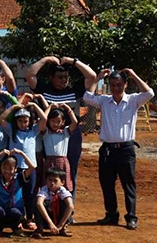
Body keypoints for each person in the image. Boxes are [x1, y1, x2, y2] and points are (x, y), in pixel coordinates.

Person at [83, 68, 154, 230]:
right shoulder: (104, 101)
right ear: (109, 85)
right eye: (113, 85)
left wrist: (134, 75)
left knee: (128, 183)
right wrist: (98, 78)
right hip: (107, 149)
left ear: (125, 85)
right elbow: (87, 97)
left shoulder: (133, 100)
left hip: (126, 149)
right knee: (107, 183)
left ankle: (131, 217)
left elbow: (150, 93)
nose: (116, 88)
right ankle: (111, 214)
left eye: (119, 84)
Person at [26, 56, 96, 210]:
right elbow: (29, 75)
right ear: (51, 78)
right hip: (45, 136)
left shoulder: (74, 90)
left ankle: (67, 210)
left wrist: (73, 61)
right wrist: (45, 60)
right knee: (43, 171)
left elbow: (92, 76)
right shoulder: (43, 89)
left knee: (70, 172)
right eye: (60, 77)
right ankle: (45, 208)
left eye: (66, 77)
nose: (64, 80)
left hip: (71, 135)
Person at [0, 103, 46, 227]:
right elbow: (1, 119)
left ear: (29, 121)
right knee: (15, 193)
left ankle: (29, 218)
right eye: (20, 121)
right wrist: (14, 108)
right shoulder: (11, 131)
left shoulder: (33, 131)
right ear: (16, 121)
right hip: (15, 169)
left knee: (29, 193)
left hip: (30, 168)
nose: (23, 123)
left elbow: (44, 119)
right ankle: (18, 218)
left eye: (26, 121)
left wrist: (35, 105)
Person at [0, 149, 36, 237]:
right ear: (0, 167)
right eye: (4, 168)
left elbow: (32, 167)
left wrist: (21, 153)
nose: (7, 171)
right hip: (2, 212)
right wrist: (0, 154)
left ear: (16, 169)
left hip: (15, 212)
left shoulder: (19, 178)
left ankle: (16, 228)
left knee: (15, 212)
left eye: (10, 168)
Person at [41, 103, 78, 192]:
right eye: (53, 121)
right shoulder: (46, 133)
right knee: (48, 186)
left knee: (63, 187)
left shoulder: (65, 132)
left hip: (63, 162)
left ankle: (63, 204)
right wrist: (49, 107)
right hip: (49, 162)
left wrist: (68, 108)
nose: (55, 124)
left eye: (58, 121)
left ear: (63, 122)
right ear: (49, 121)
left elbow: (75, 122)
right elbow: (43, 120)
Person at [33, 167, 74, 239]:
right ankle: (40, 229)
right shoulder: (44, 189)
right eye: (50, 180)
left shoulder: (63, 191)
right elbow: (39, 203)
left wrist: (60, 225)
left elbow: (70, 206)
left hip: (59, 220)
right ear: (46, 180)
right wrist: (50, 224)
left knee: (68, 206)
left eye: (55, 181)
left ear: (62, 182)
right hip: (47, 221)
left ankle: (63, 228)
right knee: (37, 205)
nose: (52, 183)